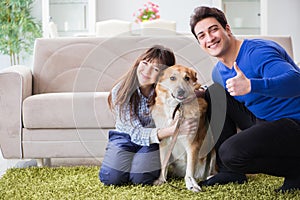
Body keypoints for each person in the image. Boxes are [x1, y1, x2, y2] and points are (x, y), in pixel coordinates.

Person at [190, 6, 300, 192]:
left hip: (294, 123)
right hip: (266, 121)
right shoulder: (219, 72)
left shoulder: (257, 53)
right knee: (215, 92)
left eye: (213, 29)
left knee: (231, 152)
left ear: (227, 29)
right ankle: (230, 172)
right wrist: (197, 93)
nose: (209, 38)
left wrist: (251, 85)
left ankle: (297, 171)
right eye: (202, 35)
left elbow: (296, 82)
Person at [99, 45, 198, 186]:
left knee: (141, 178)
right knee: (111, 178)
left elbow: (193, 86)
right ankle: (127, 160)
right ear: (138, 63)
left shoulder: (166, 91)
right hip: (125, 136)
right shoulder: (120, 90)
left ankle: (138, 163)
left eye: (156, 69)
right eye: (144, 63)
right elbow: (135, 132)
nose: (147, 71)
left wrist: (194, 94)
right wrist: (172, 130)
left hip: (153, 141)